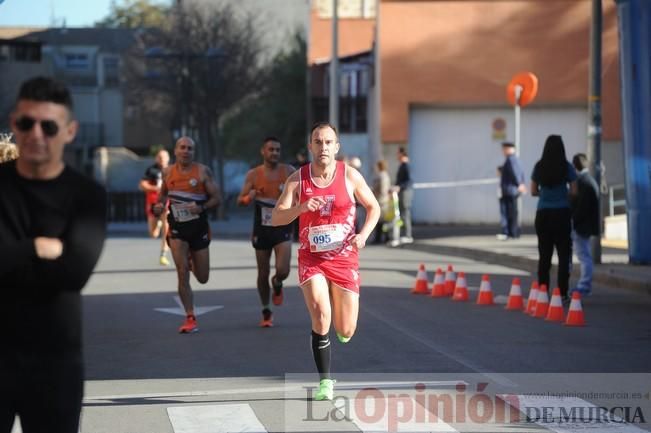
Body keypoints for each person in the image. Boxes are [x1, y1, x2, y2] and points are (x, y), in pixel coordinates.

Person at [0, 76, 107, 433]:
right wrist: (35, 247)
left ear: (69, 131)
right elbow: (56, 270)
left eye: (49, 125)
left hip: (54, 363)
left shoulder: (86, 195)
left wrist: (10, 254)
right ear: (14, 124)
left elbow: (74, 272)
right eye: (26, 123)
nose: (36, 134)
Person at [271, 121, 380, 401]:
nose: (323, 147)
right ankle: (325, 381)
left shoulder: (350, 176)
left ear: (337, 147)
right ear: (310, 147)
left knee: (346, 329)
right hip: (312, 258)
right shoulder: (298, 179)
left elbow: (373, 207)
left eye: (328, 142)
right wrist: (301, 207)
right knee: (320, 313)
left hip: (344, 257)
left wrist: (364, 235)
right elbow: (276, 217)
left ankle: (341, 329)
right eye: (318, 142)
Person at [153, 136, 221, 333]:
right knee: (182, 272)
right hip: (177, 228)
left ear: (194, 152)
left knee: (202, 277)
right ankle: (190, 316)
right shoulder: (167, 172)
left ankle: (192, 259)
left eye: (190, 148)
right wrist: (158, 207)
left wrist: (201, 207)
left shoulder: (202, 172)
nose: (186, 151)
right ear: (175, 150)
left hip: (198, 228)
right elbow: (162, 196)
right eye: (182, 147)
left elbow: (217, 198)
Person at [237, 137, 295, 327]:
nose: (274, 153)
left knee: (283, 270)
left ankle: (277, 283)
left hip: (283, 226)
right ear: (263, 151)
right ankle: (266, 310)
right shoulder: (253, 175)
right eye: (271, 149)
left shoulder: (289, 172)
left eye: (277, 150)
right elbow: (240, 201)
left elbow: (304, 193)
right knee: (262, 272)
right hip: (262, 228)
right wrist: (249, 197)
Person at [530, 135, 577, 303]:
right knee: (564, 255)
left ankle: (543, 291)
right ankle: (562, 293)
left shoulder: (539, 166)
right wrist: (562, 195)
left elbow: (533, 191)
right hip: (562, 214)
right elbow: (574, 191)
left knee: (545, 255)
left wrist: (545, 194)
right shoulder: (567, 167)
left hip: (543, 214)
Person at [570, 153, 599, 297]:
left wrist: (573, 222)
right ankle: (584, 284)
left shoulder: (584, 182)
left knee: (584, 256)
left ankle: (584, 285)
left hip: (582, 226)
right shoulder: (588, 180)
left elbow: (582, 208)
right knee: (584, 255)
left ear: (575, 166)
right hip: (584, 225)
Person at [139, 149, 171, 265]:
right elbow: (142, 185)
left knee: (167, 228)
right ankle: (158, 223)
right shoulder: (151, 170)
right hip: (153, 203)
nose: (162, 159)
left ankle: (163, 254)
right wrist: (156, 189)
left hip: (166, 203)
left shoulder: (173, 170)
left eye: (164, 157)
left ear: (168, 158)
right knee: (153, 234)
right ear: (156, 158)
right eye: (159, 157)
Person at [497, 141, 527, 240]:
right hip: (511, 190)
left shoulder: (511, 159)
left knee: (510, 212)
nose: (502, 151)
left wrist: (520, 184)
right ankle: (512, 232)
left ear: (508, 149)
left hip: (510, 190)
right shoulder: (512, 159)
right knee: (512, 212)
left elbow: (516, 173)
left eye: (504, 149)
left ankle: (511, 232)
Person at [391, 147, 413, 245]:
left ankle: (408, 235)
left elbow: (409, 180)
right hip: (402, 191)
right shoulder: (402, 165)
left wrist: (399, 186)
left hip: (406, 192)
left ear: (402, 154)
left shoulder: (406, 165)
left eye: (398, 154)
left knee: (405, 213)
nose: (396, 156)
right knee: (402, 213)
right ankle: (404, 235)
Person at [371, 159, 391, 244]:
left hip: (381, 200)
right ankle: (384, 237)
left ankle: (381, 237)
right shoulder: (386, 175)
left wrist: (374, 191)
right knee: (383, 220)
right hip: (385, 200)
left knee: (380, 220)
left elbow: (382, 189)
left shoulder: (381, 176)